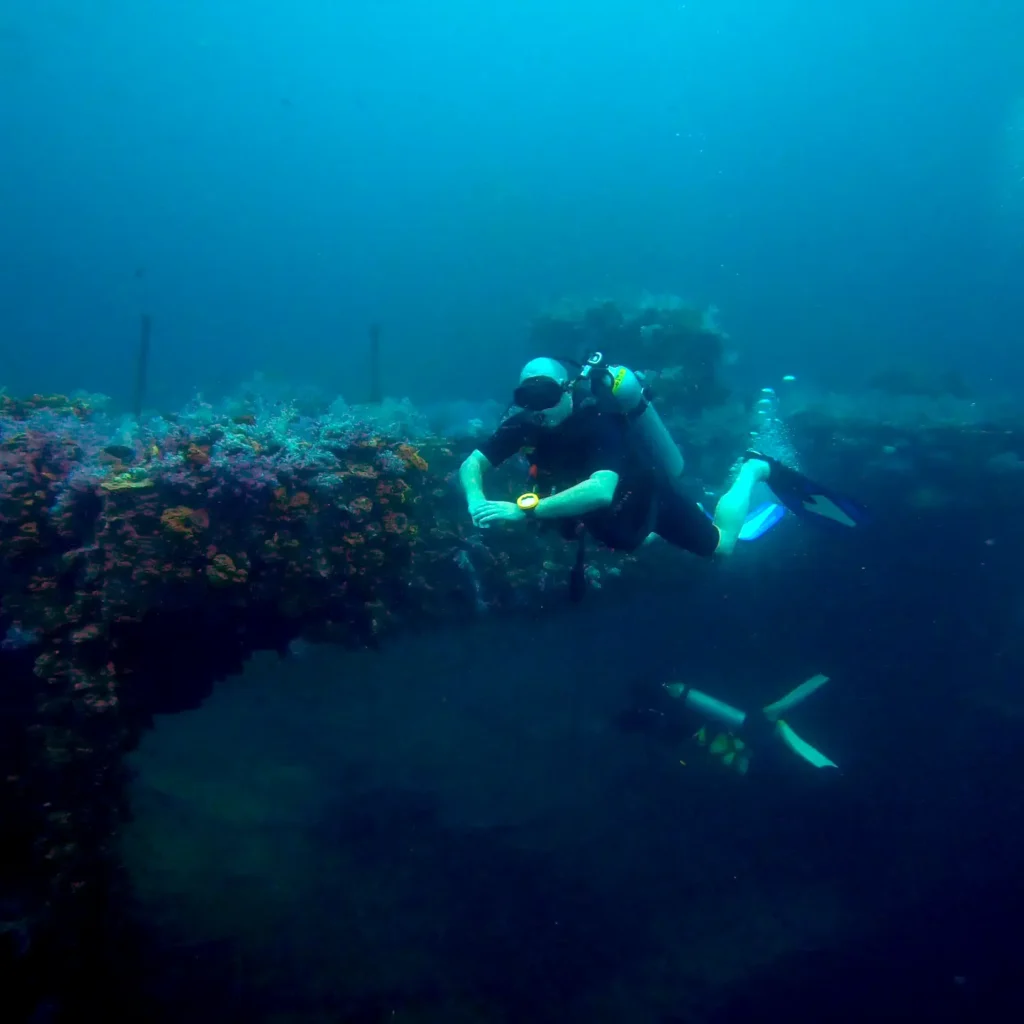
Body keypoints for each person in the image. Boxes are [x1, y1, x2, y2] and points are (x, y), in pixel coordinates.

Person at [459, 355, 866, 563]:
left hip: (648, 496)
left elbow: (601, 490)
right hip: (601, 516)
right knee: (628, 541)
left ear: (568, 390)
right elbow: (471, 464)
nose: (538, 410)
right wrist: (475, 499)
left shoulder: (598, 423)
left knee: (722, 548)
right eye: (527, 400)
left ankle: (753, 469)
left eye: (546, 397)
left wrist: (523, 512)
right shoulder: (523, 426)